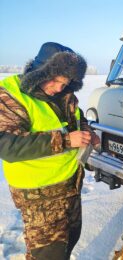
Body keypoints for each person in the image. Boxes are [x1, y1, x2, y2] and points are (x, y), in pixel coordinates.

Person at [0, 42, 100, 259]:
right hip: (39, 196)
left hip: (69, 187)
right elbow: (6, 145)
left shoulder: (65, 95)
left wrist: (87, 133)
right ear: (39, 71)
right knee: (47, 255)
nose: (58, 88)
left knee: (69, 242)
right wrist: (65, 140)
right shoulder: (11, 96)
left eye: (64, 83)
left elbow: (78, 119)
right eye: (54, 80)